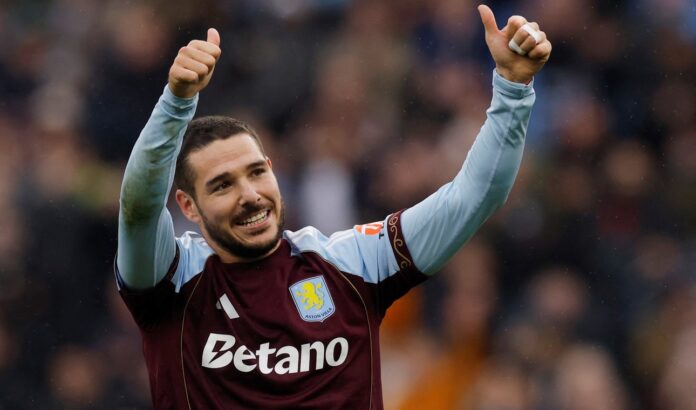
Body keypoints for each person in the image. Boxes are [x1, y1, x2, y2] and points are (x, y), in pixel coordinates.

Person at [115, 4, 551, 409]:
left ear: (273, 171)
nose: (249, 194)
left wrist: (513, 89)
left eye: (256, 172)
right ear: (188, 207)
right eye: (223, 185)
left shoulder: (353, 263)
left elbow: (474, 197)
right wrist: (176, 104)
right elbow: (138, 206)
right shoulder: (170, 279)